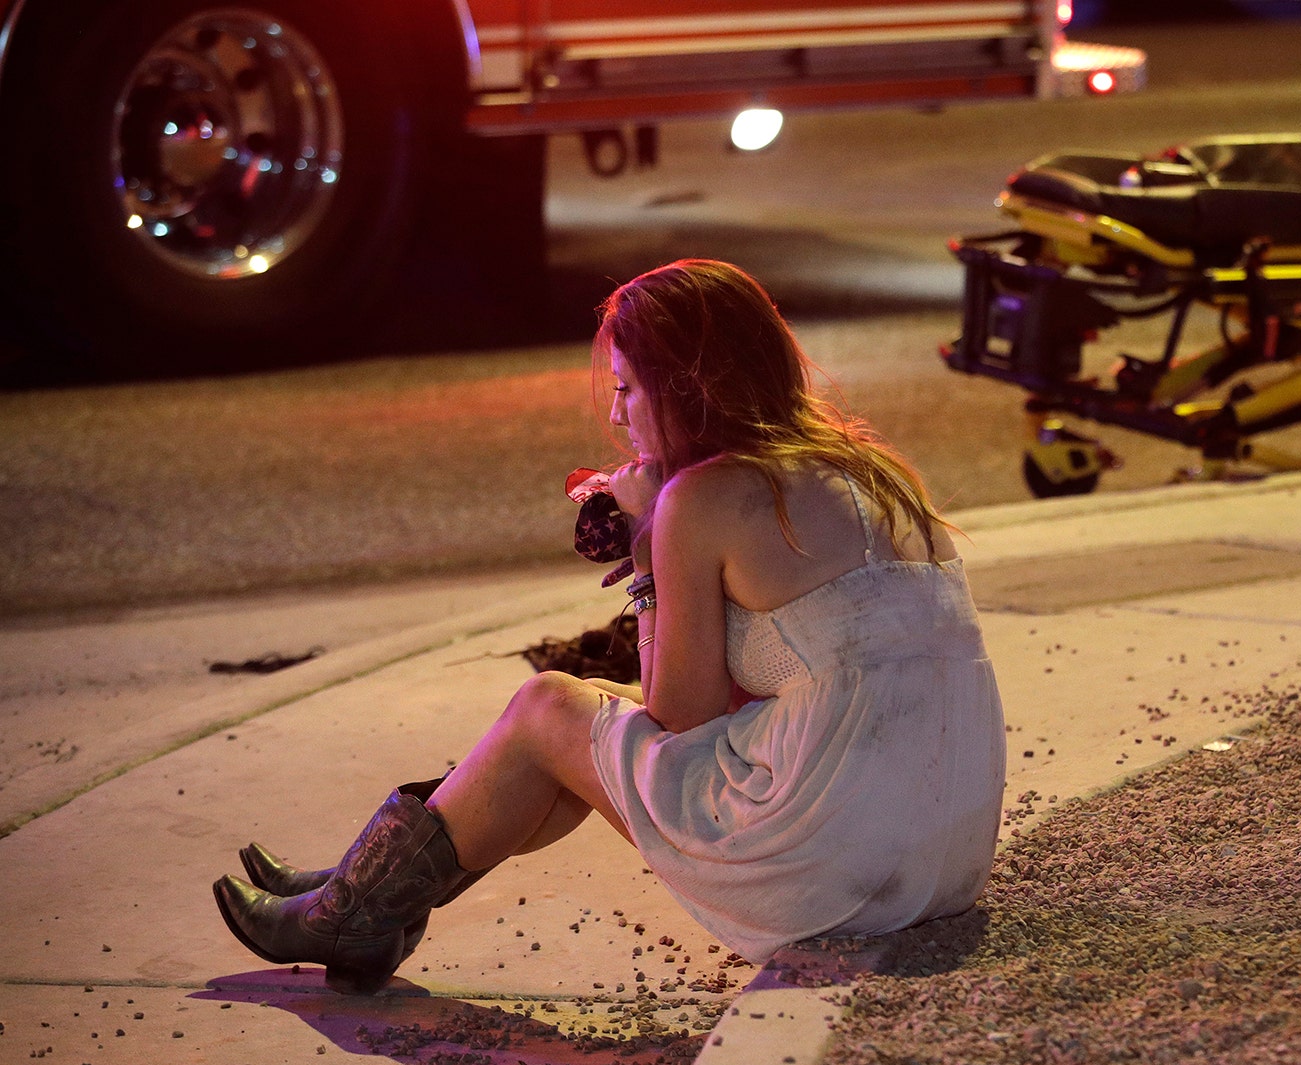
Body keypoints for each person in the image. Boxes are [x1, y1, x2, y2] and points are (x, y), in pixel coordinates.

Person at [213, 260, 1007, 994]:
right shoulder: (873, 471)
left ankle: (355, 909)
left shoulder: (703, 499)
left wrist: (648, 547)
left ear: (689, 383)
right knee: (580, 720)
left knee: (548, 710)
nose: (617, 413)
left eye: (628, 388)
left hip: (831, 867)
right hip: (944, 856)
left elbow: (678, 720)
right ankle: (358, 898)